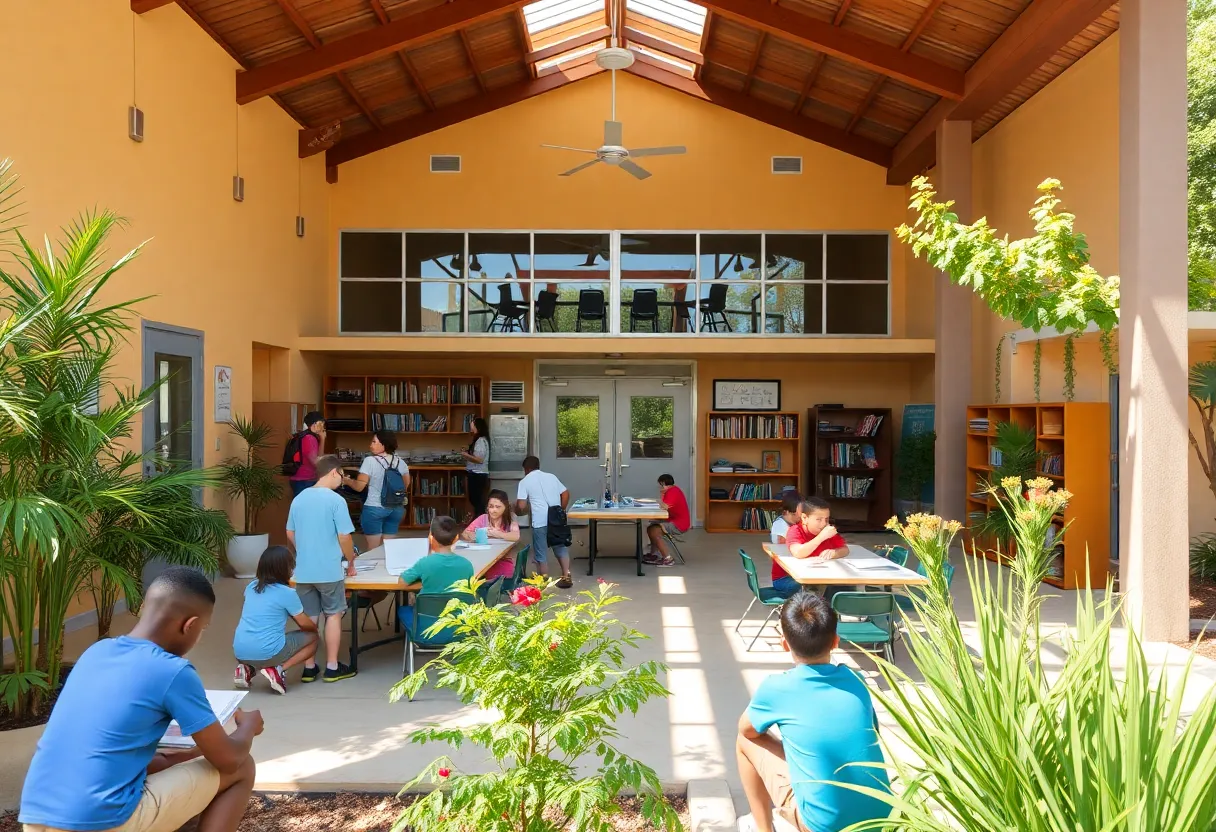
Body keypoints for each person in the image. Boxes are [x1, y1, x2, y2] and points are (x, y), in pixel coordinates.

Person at [19, 567, 263, 832]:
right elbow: (228, 760)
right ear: (189, 625)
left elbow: (107, 750)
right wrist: (248, 727)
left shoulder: (96, 653)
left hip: (35, 817)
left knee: (167, 773)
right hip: (100, 822)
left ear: (143, 606)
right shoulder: (173, 671)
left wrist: (187, 754)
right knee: (240, 768)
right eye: (202, 629)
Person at [736, 591, 891, 832]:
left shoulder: (777, 688)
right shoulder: (856, 680)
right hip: (881, 817)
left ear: (784, 644)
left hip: (824, 826)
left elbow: (746, 730)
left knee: (743, 742)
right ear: (836, 641)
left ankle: (764, 828)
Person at [286, 455, 358, 683]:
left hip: (304, 571)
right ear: (334, 472)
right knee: (333, 615)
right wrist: (351, 560)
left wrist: (304, 551)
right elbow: (344, 536)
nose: (342, 480)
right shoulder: (336, 501)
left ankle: (309, 667)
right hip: (329, 570)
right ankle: (332, 666)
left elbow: (290, 532)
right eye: (343, 475)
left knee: (311, 617)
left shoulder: (299, 499)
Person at [232, 545, 319, 695]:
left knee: (263, 640)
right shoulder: (287, 593)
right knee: (314, 639)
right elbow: (304, 624)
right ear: (284, 569)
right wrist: (315, 628)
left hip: (239, 651)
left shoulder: (251, 587)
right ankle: (278, 669)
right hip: (268, 651)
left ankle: (247, 669)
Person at [398, 516, 475, 629]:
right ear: (456, 538)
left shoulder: (424, 563)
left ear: (430, 538)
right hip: (458, 627)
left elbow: (402, 583)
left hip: (427, 627)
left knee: (404, 610)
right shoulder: (467, 565)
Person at [342, 429, 410, 550]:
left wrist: (346, 480)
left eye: (374, 442)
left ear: (384, 444)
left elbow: (359, 487)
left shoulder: (370, 461)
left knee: (373, 550)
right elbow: (405, 485)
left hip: (374, 509)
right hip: (396, 509)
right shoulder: (401, 462)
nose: (370, 445)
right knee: (388, 549)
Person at [771, 496, 848, 599]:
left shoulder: (827, 530)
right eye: (819, 519)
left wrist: (834, 553)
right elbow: (798, 552)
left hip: (817, 577)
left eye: (826, 519)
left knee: (845, 587)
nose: (824, 523)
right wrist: (821, 537)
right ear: (804, 518)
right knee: (813, 590)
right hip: (788, 579)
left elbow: (845, 549)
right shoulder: (795, 530)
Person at [515, 455, 573, 589]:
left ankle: (544, 579)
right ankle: (566, 574)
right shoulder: (551, 477)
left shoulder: (524, 481)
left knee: (540, 551)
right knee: (559, 546)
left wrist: (516, 508)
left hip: (540, 520)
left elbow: (522, 506)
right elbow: (565, 494)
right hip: (556, 519)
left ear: (527, 469)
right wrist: (561, 510)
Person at [462, 488, 521, 582]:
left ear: (505, 507)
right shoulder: (483, 518)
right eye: (491, 506)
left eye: (498, 507)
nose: (493, 510)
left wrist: (497, 534)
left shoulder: (510, 520)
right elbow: (465, 533)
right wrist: (476, 535)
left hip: (502, 564)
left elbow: (516, 536)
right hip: (482, 562)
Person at [643, 473, 691, 568]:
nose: (659, 487)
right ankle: (654, 554)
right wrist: (662, 495)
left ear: (663, 484)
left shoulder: (673, 491)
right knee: (651, 528)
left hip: (678, 524)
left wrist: (659, 499)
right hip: (672, 520)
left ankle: (668, 559)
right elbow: (665, 505)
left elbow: (664, 506)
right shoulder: (671, 491)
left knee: (654, 530)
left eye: (660, 485)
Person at [288, 411, 325, 497]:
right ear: (315, 424)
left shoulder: (307, 436)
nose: (323, 426)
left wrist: (322, 439)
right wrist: (323, 439)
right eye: (321, 423)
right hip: (304, 480)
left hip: (303, 479)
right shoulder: (309, 438)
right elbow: (316, 462)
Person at [461, 417, 490, 518]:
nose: (471, 427)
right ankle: (479, 520)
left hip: (478, 474)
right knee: (476, 500)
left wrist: (465, 455)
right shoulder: (480, 440)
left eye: (472, 425)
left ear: (477, 427)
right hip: (477, 473)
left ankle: (480, 521)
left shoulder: (481, 441)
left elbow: (479, 459)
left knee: (477, 500)